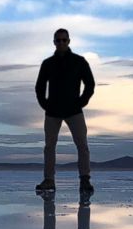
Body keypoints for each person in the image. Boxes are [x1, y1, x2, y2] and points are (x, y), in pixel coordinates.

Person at [34, 28, 95, 196]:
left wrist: (81, 102)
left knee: (82, 145)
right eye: (58, 40)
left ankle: (85, 179)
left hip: (74, 111)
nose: (61, 43)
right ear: (54, 42)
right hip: (52, 112)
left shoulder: (79, 61)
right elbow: (40, 86)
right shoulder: (48, 63)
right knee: (49, 147)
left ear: (69, 41)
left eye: (64, 40)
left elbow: (90, 84)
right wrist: (45, 104)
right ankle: (49, 180)